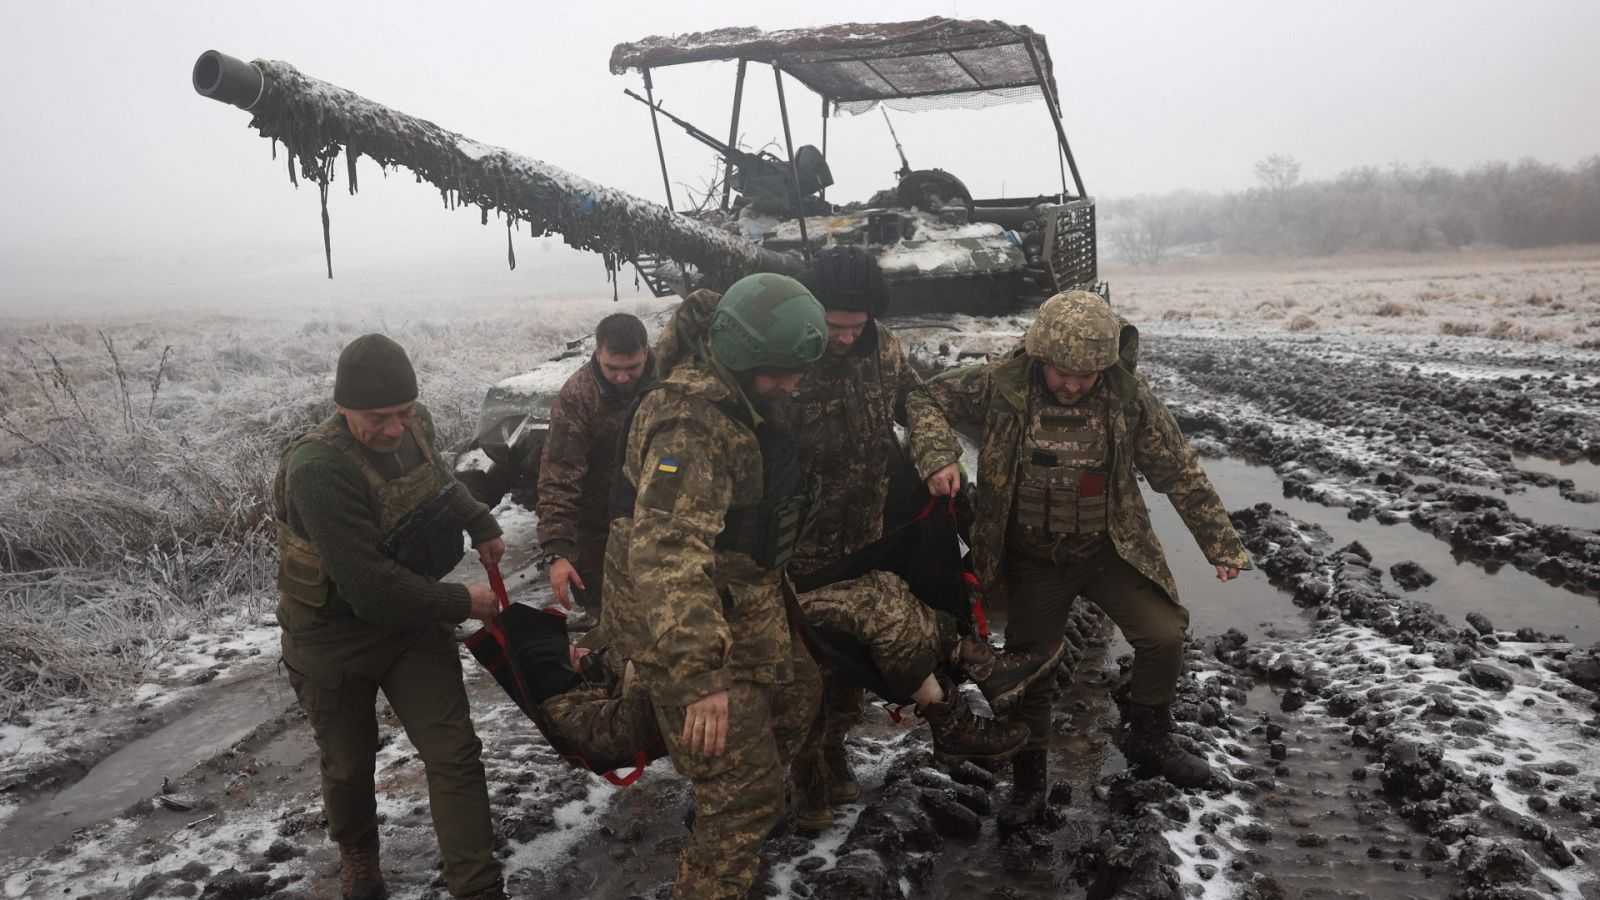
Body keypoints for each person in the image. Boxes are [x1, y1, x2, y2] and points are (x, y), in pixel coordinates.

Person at [909, 290, 1253, 827]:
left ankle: (1149, 737)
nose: (1072, 385)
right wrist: (937, 454)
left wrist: (1220, 542)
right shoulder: (998, 386)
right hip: (1032, 560)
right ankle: (1028, 782)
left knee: (1163, 635)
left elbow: (1179, 471)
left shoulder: (1127, 399)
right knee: (1032, 668)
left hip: (1105, 550)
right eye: (1061, 372)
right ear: (1041, 356)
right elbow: (923, 399)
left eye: (1086, 374)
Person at [783, 246, 1059, 830]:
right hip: (797, 547)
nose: (841, 337)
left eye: (852, 327)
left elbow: (919, 400)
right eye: (832, 325)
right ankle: (806, 786)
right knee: (807, 669)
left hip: (865, 534)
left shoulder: (884, 350)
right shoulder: (789, 353)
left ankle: (832, 755)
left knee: (850, 669)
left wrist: (936, 456)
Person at [602, 275, 825, 900]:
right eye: (779, 372)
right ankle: (719, 850)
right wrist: (703, 683)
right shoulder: (690, 429)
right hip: (679, 622)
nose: (791, 385)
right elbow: (668, 553)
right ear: (742, 357)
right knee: (747, 798)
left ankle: (722, 806)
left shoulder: (739, 394)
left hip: (737, 599)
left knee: (800, 696)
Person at [273, 334, 507, 900]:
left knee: (454, 752)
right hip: (331, 636)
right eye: (378, 417)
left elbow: (438, 484)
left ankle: (477, 888)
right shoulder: (318, 468)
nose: (396, 429)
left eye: (403, 412)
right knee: (350, 765)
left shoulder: (415, 424)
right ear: (342, 407)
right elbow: (370, 588)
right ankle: (358, 857)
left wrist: (480, 521)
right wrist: (463, 602)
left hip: (410, 624)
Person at [537, 312, 655, 626]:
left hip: (659, 520)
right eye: (613, 368)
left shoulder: (668, 379)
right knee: (611, 622)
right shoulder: (577, 397)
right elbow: (559, 475)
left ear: (646, 351)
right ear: (598, 352)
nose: (622, 378)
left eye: (632, 368)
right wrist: (557, 550)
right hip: (598, 529)